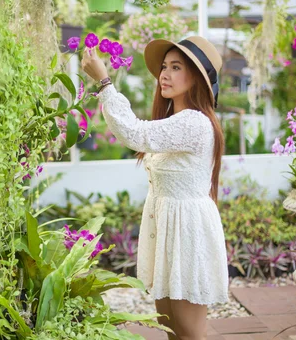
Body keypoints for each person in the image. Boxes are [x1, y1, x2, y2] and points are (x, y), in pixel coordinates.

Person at [81, 36, 228, 340]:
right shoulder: (173, 121)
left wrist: (104, 82)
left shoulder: (195, 123)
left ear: (196, 78)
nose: (165, 74)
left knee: (189, 333)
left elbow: (134, 132)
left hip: (186, 233)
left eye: (176, 67)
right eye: (164, 66)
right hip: (167, 230)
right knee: (171, 329)